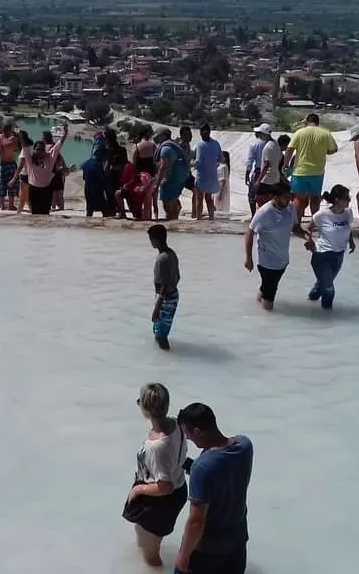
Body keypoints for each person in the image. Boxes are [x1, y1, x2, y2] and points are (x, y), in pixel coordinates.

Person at [173, 403, 253, 574]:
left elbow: (196, 521)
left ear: (198, 431)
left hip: (208, 550)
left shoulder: (203, 468)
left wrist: (183, 555)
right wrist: (192, 468)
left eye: (188, 434)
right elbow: (224, 474)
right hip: (237, 541)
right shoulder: (245, 445)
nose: (188, 439)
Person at [123, 382, 188, 567]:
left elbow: (164, 487)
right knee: (143, 537)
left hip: (160, 500)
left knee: (151, 556)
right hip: (178, 488)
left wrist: (138, 490)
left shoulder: (156, 446)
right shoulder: (177, 424)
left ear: (145, 410)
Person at [244, 182, 312, 311]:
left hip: (283, 260)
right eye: (285, 197)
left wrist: (306, 238)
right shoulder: (264, 213)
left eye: (289, 196)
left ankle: (256, 307)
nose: (288, 200)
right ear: (274, 197)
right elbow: (249, 233)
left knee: (266, 288)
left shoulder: (290, 208)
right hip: (267, 263)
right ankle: (266, 325)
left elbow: (295, 227)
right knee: (270, 299)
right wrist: (249, 258)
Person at [306, 185, 356, 309]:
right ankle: (326, 321)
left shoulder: (348, 213)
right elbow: (308, 228)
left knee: (321, 285)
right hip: (322, 256)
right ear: (338, 200)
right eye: (346, 198)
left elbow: (348, 229)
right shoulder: (322, 215)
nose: (349, 200)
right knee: (329, 289)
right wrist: (309, 241)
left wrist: (351, 241)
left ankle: (309, 303)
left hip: (338, 256)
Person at [283, 113, 338, 224]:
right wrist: (325, 151)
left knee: (299, 199)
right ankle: (314, 223)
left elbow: (289, 149)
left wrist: (286, 164)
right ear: (318, 122)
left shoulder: (300, 132)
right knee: (315, 199)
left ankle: (296, 223)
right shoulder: (325, 133)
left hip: (300, 171)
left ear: (307, 121)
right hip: (317, 172)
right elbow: (334, 149)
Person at [12, 122, 68, 215]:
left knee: (45, 212)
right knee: (35, 213)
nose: (40, 151)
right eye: (37, 149)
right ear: (34, 150)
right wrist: (19, 133)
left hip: (46, 189)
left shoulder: (50, 157)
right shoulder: (30, 160)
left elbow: (59, 145)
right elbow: (24, 145)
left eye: (42, 149)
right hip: (34, 190)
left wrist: (65, 133)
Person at [148, 224, 180, 350]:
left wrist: (157, 306)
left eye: (151, 239)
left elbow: (164, 284)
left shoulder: (162, 259)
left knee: (161, 335)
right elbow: (177, 276)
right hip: (173, 295)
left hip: (165, 299)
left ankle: (167, 356)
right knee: (159, 331)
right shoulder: (171, 253)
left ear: (156, 239)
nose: (150, 242)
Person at [153, 128, 191, 220]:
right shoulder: (174, 145)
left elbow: (163, 166)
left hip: (171, 178)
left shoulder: (165, 148)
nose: (156, 139)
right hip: (181, 177)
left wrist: (157, 185)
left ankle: (171, 223)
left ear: (163, 136)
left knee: (167, 206)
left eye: (158, 136)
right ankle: (175, 220)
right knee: (174, 200)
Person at [193, 124, 223, 220]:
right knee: (208, 198)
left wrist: (190, 164)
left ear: (200, 133)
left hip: (202, 175)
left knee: (199, 198)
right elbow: (221, 158)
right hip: (212, 175)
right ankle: (211, 218)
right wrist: (214, 163)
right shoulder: (215, 143)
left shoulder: (200, 145)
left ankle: (198, 218)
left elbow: (198, 161)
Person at [0, 119, 21, 210]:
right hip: (11, 163)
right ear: (9, 130)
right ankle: (10, 205)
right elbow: (17, 148)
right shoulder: (12, 139)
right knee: (11, 185)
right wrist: (16, 137)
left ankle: (2, 205)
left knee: (2, 184)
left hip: (2, 163)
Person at [216, 151, 231, 215]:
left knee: (220, 206)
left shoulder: (224, 167)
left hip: (221, 188)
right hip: (218, 187)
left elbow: (223, 180)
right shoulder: (221, 166)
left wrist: (220, 193)